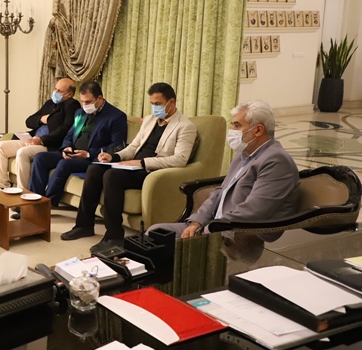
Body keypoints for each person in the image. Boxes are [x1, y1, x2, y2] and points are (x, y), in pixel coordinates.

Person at [61, 82, 197, 252]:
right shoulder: (149, 120)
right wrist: (114, 156)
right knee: (94, 169)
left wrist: (142, 162)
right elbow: (133, 147)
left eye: (158, 104)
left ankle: (114, 236)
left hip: (152, 171)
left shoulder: (185, 126)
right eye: (152, 103)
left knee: (112, 176)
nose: (155, 108)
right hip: (132, 165)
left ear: (171, 102)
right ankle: (84, 225)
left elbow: (180, 159)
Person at [149, 100, 299, 242]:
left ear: (258, 130)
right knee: (155, 231)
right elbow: (220, 192)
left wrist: (210, 229)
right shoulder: (243, 154)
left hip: (241, 235)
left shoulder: (276, 161)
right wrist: (197, 222)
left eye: (237, 125)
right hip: (214, 226)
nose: (232, 131)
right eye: (232, 125)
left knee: (162, 246)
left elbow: (253, 211)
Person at [28, 82, 127, 207]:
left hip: (91, 158)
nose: (85, 105)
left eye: (88, 102)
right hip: (72, 153)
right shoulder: (80, 112)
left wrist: (88, 154)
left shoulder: (116, 116)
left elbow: (117, 145)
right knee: (40, 158)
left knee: (64, 164)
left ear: (99, 98)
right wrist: (66, 147)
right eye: (82, 101)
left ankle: (46, 204)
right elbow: (69, 135)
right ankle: (33, 200)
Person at [0, 78, 79, 193]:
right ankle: (2, 186)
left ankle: (22, 191)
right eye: (55, 89)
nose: (55, 92)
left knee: (22, 152)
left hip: (49, 144)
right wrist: (42, 119)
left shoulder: (72, 105)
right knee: (0, 147)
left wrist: (42, 140)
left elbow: (65, 129)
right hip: (32, 139)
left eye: (60, 91)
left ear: (70, 95)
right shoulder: (50, 103)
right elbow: (29, 121)